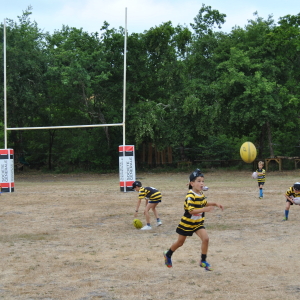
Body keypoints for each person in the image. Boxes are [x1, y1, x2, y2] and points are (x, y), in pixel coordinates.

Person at [163, 169, 223, 271]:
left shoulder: (200, 194)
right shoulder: (190, 196)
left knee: (206, 239)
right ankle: (168, 254)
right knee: (180, 243)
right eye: (199, 181)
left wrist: (215, 203)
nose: (202, 183)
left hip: (197, 223)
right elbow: (191, 211)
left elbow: (204, 203)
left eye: (203, 181)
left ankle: (203, 261)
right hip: (187, 224)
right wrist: (205, 209)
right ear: (192, 183)